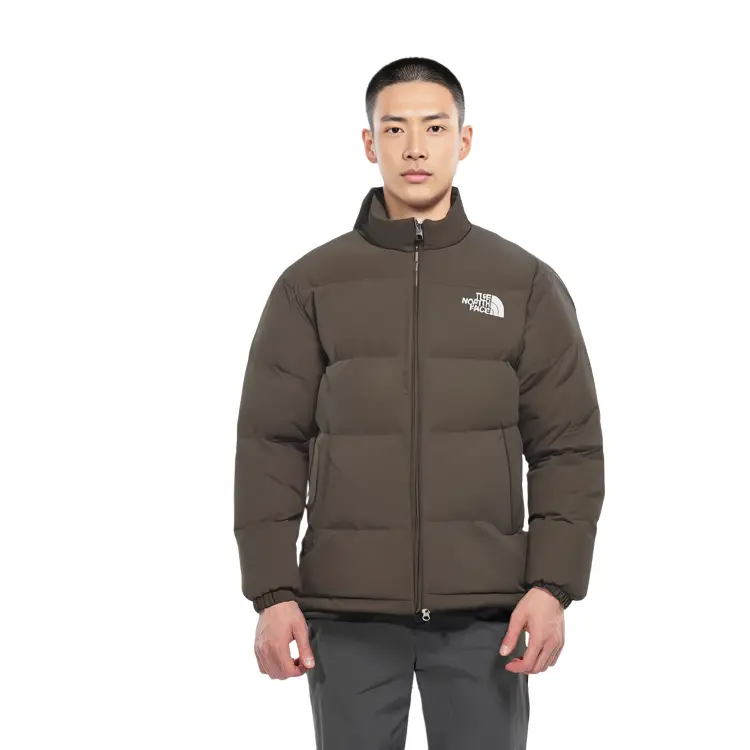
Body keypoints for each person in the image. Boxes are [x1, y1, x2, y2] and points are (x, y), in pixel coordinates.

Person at [233, 56, 605, 749]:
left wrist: (553, 585)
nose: (414, 148)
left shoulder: (523, 284)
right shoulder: (309, 286)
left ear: (464, 140)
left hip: (488, 615)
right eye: (394, 128)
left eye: (434, 128)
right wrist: (273, 592)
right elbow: (270, 446)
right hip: (347, 614)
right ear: (368, 143)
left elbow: (567, 447)